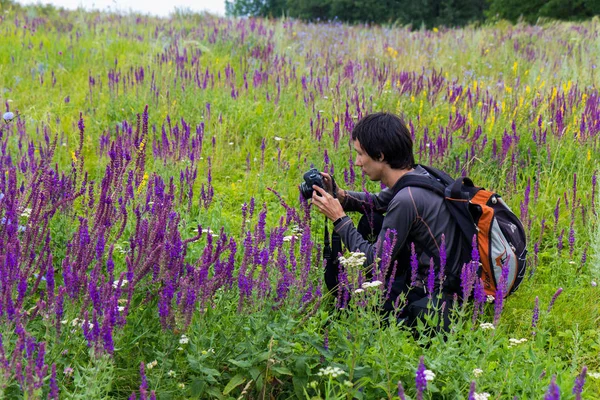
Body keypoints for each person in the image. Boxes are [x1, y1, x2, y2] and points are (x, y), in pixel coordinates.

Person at [310, 112, 464, 328]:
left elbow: (375, 261)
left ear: (380, 156)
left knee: (388, 313)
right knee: (370, 219)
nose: (356, 162)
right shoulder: (418, 175)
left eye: (361, 154)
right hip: (445, 268)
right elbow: (376, 203)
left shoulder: (406, 199)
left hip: (441, 290)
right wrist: (340, 195)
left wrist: (339, 219)